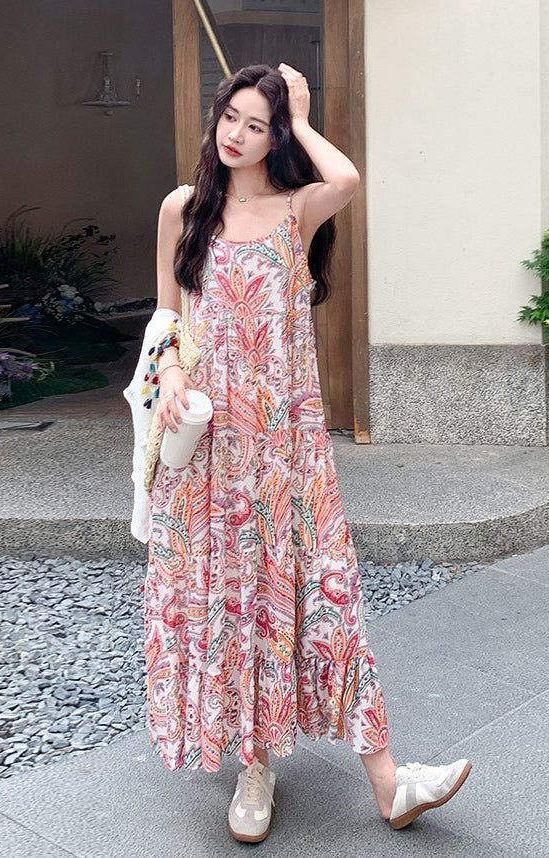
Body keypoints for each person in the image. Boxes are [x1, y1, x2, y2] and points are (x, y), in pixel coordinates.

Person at [138, 62, 472, 843]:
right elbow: (166, 318)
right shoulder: (182, 209)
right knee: (233, 606)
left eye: (257, 124)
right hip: (211, 452)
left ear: (276, 136)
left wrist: (303, 113)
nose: (236, 134)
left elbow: (346, 178)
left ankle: (389, 783)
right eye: (230, 116)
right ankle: (254, 770)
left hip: (289, 451)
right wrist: (174, 373)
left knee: (326, 598)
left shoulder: (298, 209)